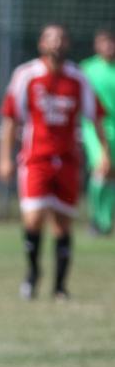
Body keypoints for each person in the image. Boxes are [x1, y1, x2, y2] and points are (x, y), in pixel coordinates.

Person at [0, 24, 111, 300]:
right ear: (41, 44)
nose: (56, 43)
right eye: (50, 38)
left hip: (68, 160)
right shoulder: (26, 75)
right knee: (34, 219)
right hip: (36, 159)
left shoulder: (77, 79)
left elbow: (95, 118)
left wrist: (105, 153)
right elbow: (11, 120)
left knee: (62, 225)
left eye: (61, 38)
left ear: (68, 44)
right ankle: (33, 274)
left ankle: (60, 287)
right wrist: (4, 158)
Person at [80, 27, 115, 235]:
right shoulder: (87, 68)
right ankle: (97, 220)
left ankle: (105, 221)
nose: (109, 46)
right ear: (96, 45)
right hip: (95, 127)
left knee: (111, 175)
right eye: (104, 42)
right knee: (101, 168)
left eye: (112, 42)